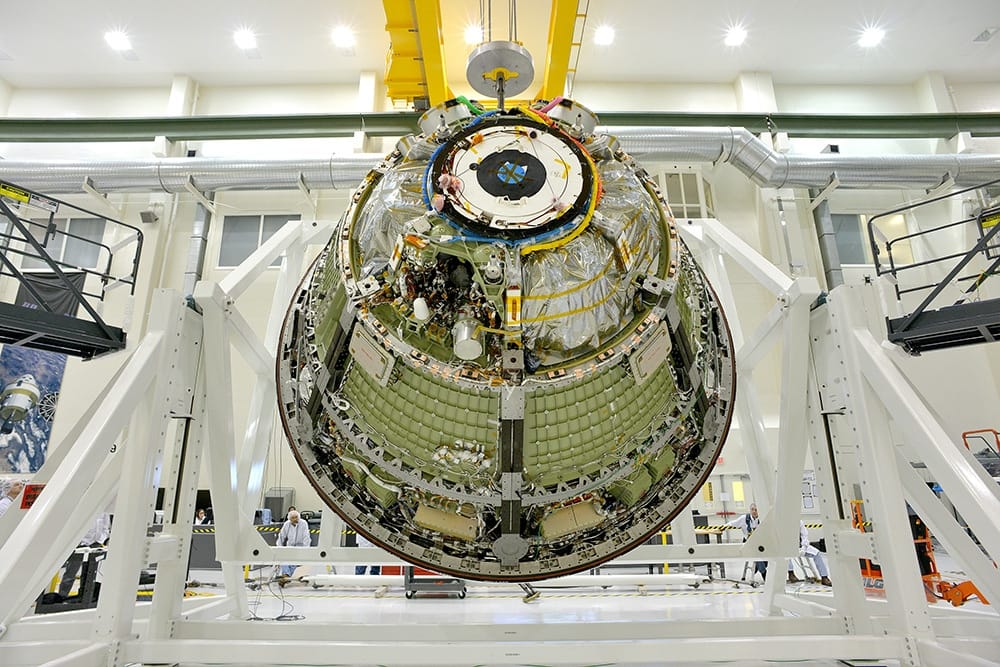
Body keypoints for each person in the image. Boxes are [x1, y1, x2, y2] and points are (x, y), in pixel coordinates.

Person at [58, 512, 112, 598]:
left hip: (95, 544)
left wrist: (100, 541)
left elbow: (106, 527)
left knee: (89, 573)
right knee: (71, 572)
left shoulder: (104, 512)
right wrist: (78, 541)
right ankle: (62, 595)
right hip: (80, 544)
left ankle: (83, 596)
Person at [729, 503, 767, 581]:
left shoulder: (763, 518)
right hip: (749, 544)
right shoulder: (744, 518)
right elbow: (732, 524)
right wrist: (721, 528)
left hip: (761, 543)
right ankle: (764, 575)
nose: (754, 512)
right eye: (752, 510)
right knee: (758, 556)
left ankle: (758, 567)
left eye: (756, 510)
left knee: (768, 555)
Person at [787, 520, 832, 586]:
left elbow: (804, 535)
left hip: (801, 546)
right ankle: (791, 573)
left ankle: (824, 577)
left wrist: (803, 547)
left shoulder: (799, 521)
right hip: (787, 546)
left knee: (817, 553)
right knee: (785, 554)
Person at [275, 509, 311, 581]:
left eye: (296, 517)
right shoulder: (286, 524)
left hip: (300, 547)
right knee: (283, 559)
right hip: (290, 546)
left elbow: (306, 537)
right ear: (289, 519)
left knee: (293, 562)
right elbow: (281, 536)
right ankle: (286, 576)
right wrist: (279, 548)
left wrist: (305, 550)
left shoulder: (303, 523)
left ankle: (285, 576)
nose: (295, 519)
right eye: (293, 518)